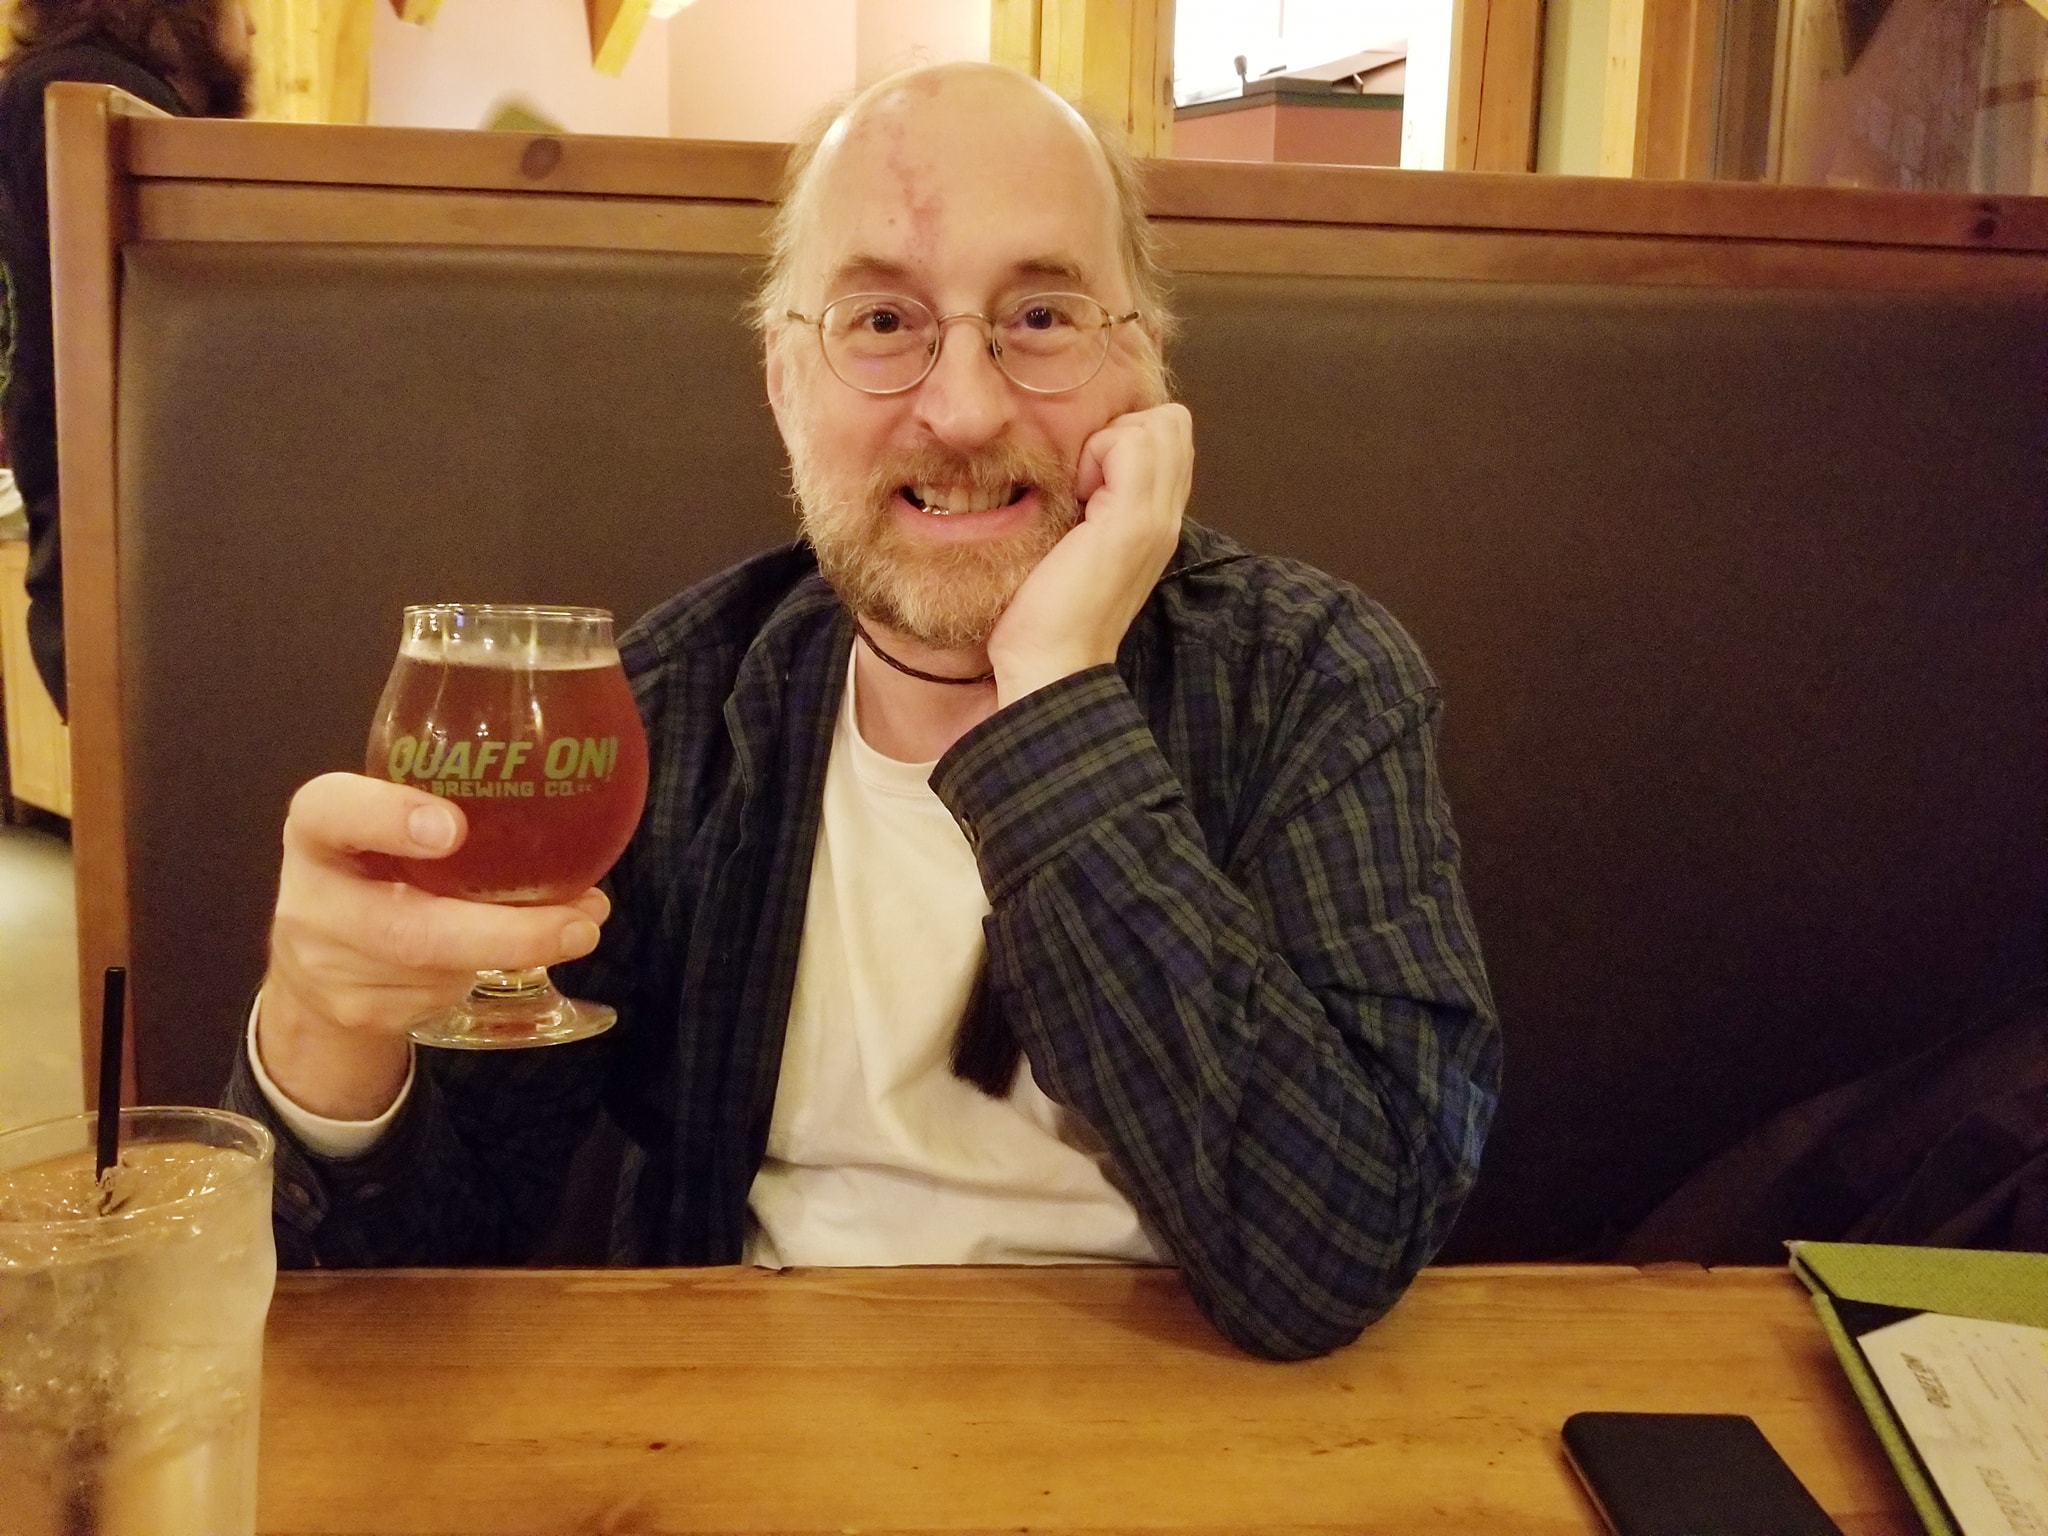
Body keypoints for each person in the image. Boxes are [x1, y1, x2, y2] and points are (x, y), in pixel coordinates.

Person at [225, 63, 1501, 1361]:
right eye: (883, 322)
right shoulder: (658, 719)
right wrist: (330, 1039)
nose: (964, 410)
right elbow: (416, 1275)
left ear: (1143, 367)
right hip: (747, 1415)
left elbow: (1332, 1254)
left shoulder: (1310, 681)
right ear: (785, 384)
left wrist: (1056, 690)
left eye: (1042, 315)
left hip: (1197, 1417)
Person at [0, 0, 253, 717]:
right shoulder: (90, 103)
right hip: (135, 580)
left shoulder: (45, 94)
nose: (256, 23)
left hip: (95, 573)